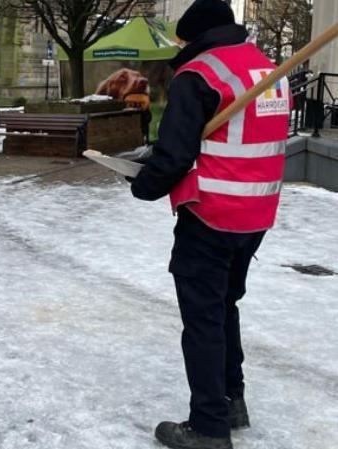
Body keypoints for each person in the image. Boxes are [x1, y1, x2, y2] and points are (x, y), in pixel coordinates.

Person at [129, 1, 290, 448]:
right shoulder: (265, 69)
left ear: (194, 36)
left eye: (181, 40)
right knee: (224, 307)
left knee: (202, 319)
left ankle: (209, 427)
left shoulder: (199, 74)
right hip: (256, 214)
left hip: (211, 214)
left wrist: (142, 184)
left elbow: (175, 154)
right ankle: (231, 399)